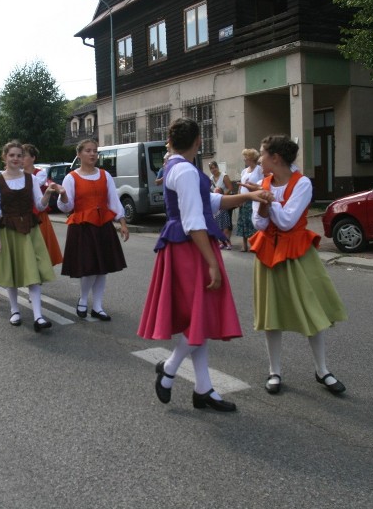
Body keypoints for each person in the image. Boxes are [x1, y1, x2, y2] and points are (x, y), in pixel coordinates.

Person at [138, 118, 270, 412]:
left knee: (198, 318)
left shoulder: (175, 166)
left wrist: (248, 195)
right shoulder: (184, 170)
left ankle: (203, 388)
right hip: (190, 248)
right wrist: (212, 262)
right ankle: (169, 369)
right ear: (198, 141)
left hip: (186, 247)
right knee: (200, 317)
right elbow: (193, 221)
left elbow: (209, 201)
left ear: (171, 142)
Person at [250, 135, 348, 396]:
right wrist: (263, 201)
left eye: (262, 153)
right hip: (269, 252)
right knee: (271, 316)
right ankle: (275, 371)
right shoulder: (261, 183)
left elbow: (287, 222)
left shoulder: (302, 183)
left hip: (297, 252)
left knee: (312, 312)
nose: (260, 158)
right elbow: (259, 225)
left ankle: (322, 370)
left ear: (276, 158)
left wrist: (267, 200)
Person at [0, 141, 59, 332]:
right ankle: (14, 310)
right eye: (12, 155)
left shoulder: (31, 179)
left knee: (33, 272)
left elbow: (40, 205)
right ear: (4, 157)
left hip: (29, 229)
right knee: (12, 270)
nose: (16, 159)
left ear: (23, 158)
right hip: (8, 230)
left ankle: (38, 316)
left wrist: (48, 194)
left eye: (19, 155)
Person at [57, 138, 129, 322]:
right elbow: (67, 207)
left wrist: (122, 223)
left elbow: (114, 201)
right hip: (83, 227)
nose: (92, 154)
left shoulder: (105, 175)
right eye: (88, 151)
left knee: (101, 268)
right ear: (79, 154)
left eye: (95, 151)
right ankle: (83, 299)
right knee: (89, 268)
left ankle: (97, 306)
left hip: (102, 225)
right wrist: (64, 196)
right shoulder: (71, 177)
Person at [22, 143, 63, 266]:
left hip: (38, 212)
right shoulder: (17, 173)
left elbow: (31, 185)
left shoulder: (40, 173)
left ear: (33, 158)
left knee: (41, 243)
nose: (21, 159)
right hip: (22, 213)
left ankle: (40, 266)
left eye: (24, 156)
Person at [235, 148, 263, 252]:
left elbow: (262, 182)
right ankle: (244, 244)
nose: (244, 160)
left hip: (254, 199)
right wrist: (238, 198)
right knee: (243, 221)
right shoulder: (244, 171)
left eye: (245, 158)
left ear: (251, 158)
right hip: (243, 199)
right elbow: (240, 187)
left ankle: (255, 244)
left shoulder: (259, 169)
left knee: (253, 222)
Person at [208, 161, 233, 250]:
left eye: (214, 167)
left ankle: (228, 241)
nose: (213, 169)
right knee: (219, 224)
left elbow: (230, 188)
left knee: (226, 224)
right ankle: (222, 242)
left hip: (225, 202)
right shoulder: (211, 178)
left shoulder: (224, 176)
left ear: (217, 167)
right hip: (217, 205)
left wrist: (222, 197)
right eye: (211, 168)